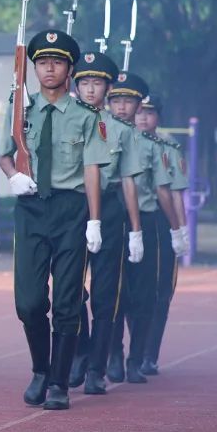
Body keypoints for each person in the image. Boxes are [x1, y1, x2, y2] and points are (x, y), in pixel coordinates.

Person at [0, 29, 109, 411]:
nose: (49, 68)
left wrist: (94, 219)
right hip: (30, 208)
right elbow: (4, 153)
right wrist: (12, 175)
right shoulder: (19, 109)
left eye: (57, 62)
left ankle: (59, 381)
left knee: (67, 300)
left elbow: (92, 167)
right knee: (29, 302)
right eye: (42, 62)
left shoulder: (85, 116)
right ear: (33, 67)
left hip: (70, 210)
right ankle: (40, 369)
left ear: (69, 68)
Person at [67, 53, 144, 394]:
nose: (89, 88)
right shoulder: (63, 121)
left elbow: (128, 180)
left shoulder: (121, 131)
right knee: (69, 289)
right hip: (71, 206)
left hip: (111, 208)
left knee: (105, 291)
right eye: (83, 81)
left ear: (108, 87)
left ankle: (97, 366)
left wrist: (136, 230)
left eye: (97, 82)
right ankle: (80, 351)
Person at [105, 72, 168, 384]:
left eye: (128, 100)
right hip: (110, 219)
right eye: (115, 99)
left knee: (144, 294)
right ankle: (114, 354)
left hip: (144, 221)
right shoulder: (101, 135)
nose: (121, 107)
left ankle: (136, 357)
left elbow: (162, 187)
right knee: (112, 291)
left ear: (138, 104)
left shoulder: (152, 146)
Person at [135, 95, 189, 375]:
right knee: (133, 290)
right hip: (132, 220)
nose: (143, 117)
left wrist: (179, 229)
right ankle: (132, 351)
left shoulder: (170, 148)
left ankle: (149, 353)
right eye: (139, 111)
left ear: (159, 117)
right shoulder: (124, 143)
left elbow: (176, 193)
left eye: (150, 112)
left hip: (160, 220)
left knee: (160, 290)